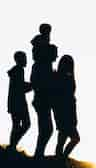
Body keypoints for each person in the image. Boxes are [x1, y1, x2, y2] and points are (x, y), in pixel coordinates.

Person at [30, 23, 58, 158]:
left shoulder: (42, 65)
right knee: (46, 129)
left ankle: (38, 154)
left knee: (46, 129)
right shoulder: (40, 65)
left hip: (44, 98)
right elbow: (36, 83)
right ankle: (38, 155)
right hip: (42, 98)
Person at [55, 55, 80, 159]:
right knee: (73, 138)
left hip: (68, 112)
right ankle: (62, 159)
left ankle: (61, 159)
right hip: (64, 113)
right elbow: (61, 97)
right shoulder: (61, 77)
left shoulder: (67, 76)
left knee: (63, 139)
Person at [7, 51, 32, 150]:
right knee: (24, 124)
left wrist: (30, 85)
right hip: (18, 102)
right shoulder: (19, 70)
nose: (26, 60)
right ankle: (12, 145)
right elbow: (20, 87)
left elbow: (20, 85)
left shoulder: (17, 70)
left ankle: (12, 146)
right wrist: (33, 85)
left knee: (17, 125)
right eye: (24, 58)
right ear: (19, 59)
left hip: (15, 102)